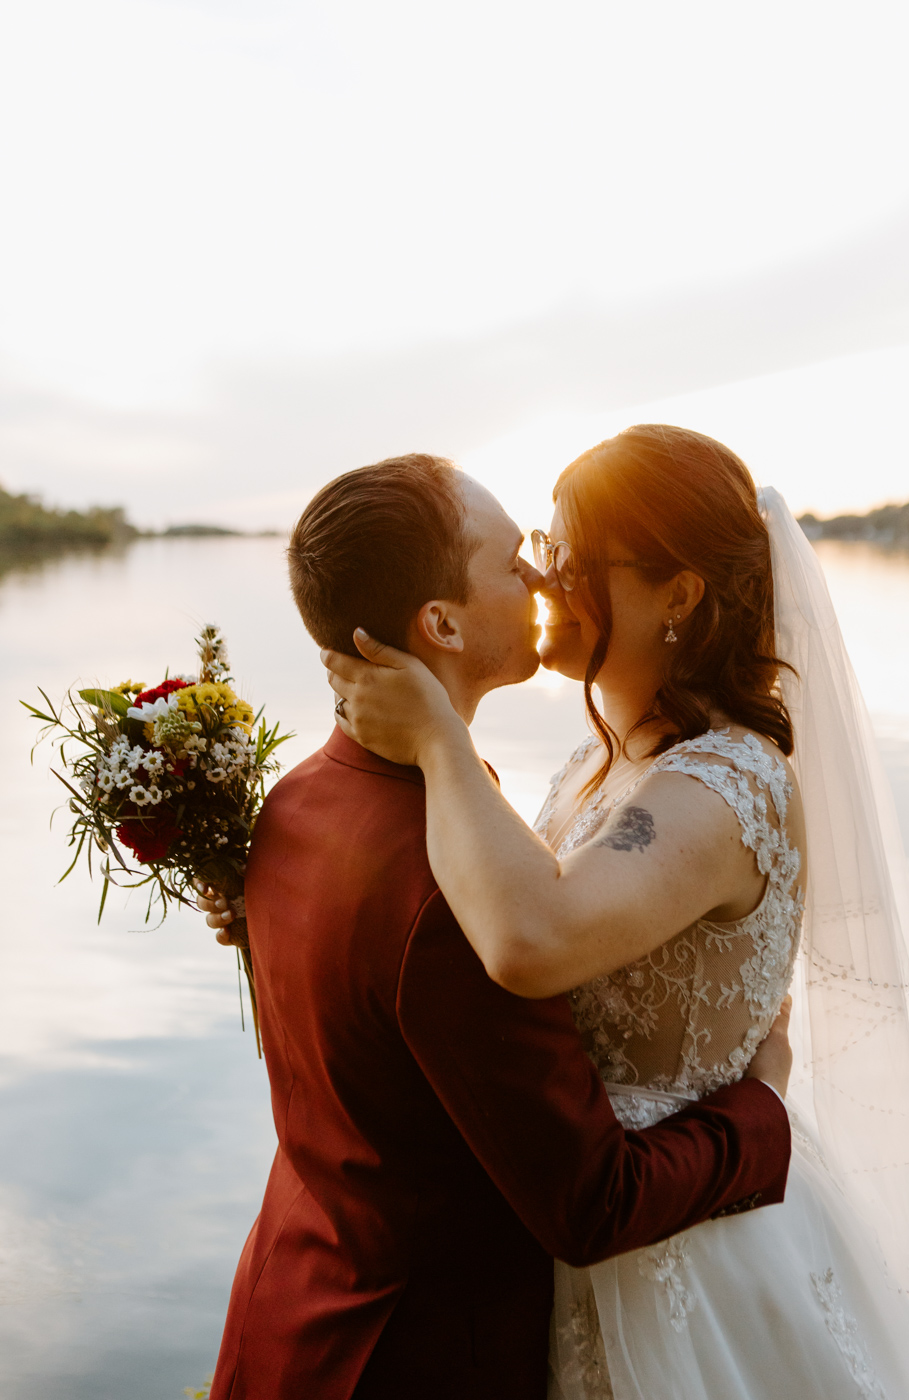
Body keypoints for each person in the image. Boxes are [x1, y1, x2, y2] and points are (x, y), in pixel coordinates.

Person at [326, 426, 909, 1398]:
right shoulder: (600, 761)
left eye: (569, 554)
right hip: (588, 1215)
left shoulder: (727, 781)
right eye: (539, 540)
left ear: (679, 594)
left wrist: (439, 736)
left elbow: (536, 937)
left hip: (686, 1251)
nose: (539, 571)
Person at [201, 453, 793, 1400]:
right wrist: (765, 1111)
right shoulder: (455, 892)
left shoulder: (300, 805)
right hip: (415, 1351)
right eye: (519, 555)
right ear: (439, 623)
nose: (541, 575)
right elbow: (590, 1201)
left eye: (558, 551)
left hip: (294, 1302)